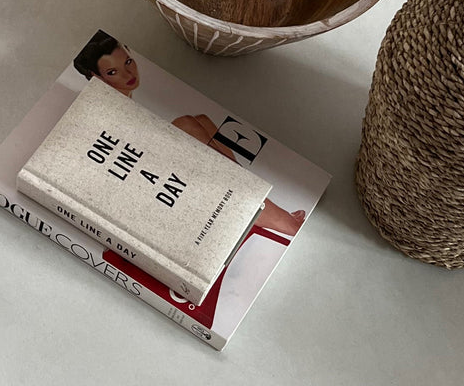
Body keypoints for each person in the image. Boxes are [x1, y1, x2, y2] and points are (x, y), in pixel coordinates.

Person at [73, 32, 306, 236]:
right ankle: (258, 207)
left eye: (129, 62)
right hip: (152, 183)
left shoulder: (124, 99)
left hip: (162, 171)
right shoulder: (103, 108)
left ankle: (250, 203)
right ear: (96, 77)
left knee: (201, 120)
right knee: (186, 125)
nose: (128, 73)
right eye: (113, 71)